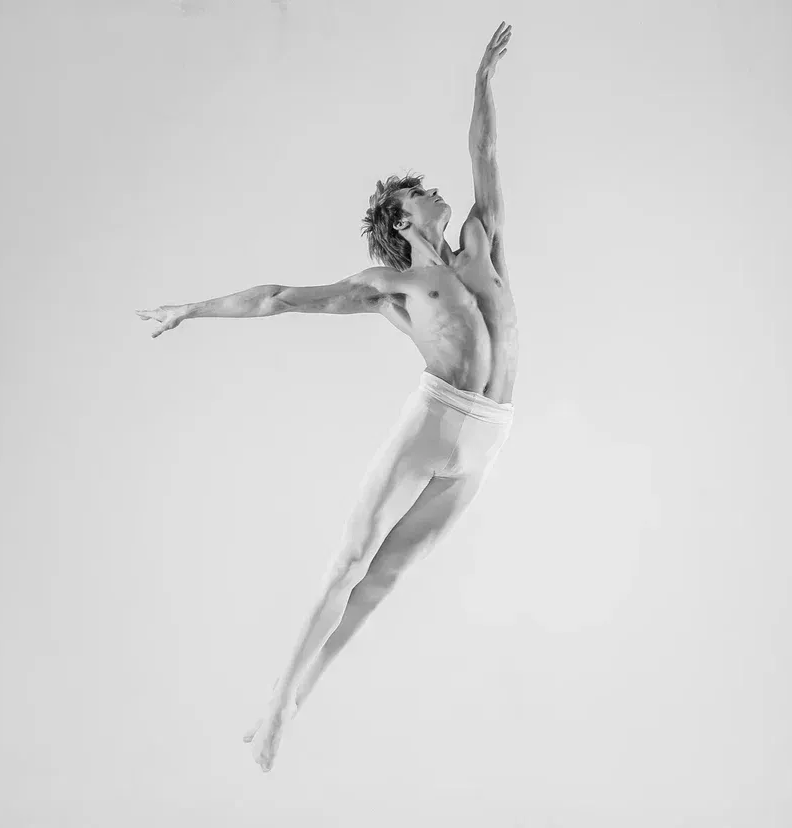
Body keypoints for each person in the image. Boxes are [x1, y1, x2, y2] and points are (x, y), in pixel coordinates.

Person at [136, 21, 516, 772]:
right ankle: (279, 701)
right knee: (350, 564)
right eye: (420, 193)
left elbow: (486, 154)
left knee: (385, 583)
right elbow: (279, 297)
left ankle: (291, 706)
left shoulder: (482, 242)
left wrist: (480, 84)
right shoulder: (394, 289)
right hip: (436, 423)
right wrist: (194, 307)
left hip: (488, 437)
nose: (438, 191)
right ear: (403, 218)